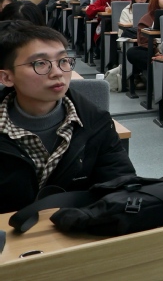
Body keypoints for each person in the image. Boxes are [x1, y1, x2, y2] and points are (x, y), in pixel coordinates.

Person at [0, 22, 135, 213]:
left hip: (75, 225)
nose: (57, 72)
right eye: (40, 63)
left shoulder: (95, 121)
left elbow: (121, 187)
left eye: (63, 61)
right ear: (6, 78)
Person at [126, 0, 163, 85]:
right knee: (133, 52)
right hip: (155, 51)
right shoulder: (147, 18)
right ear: (156, 0)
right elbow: (144, 40)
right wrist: (157, 52)